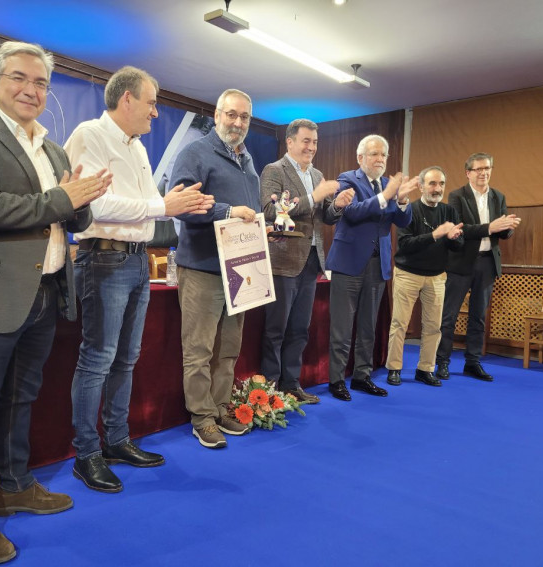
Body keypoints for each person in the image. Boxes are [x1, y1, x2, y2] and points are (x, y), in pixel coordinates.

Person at [0, 41, 111, 564]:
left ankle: (13, 486)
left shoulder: (56, 151)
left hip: (46, 291)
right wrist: (65, 198)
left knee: (21, 399)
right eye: (19, 78)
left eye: (40, 83)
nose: (30, 90)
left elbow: (73, 219)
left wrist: (81, 200)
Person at [64, 66, 211, 492]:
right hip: (103, 259)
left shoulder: (139, 148)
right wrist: (163, 206)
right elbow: (93, 205)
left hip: (136, 260)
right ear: (126, 99)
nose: (155, 112)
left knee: (126, 358)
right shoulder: (90, 135)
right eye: (150, 102)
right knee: (98, 358)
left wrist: (172, 205)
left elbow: (149, 206)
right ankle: (86, 453)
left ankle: (116, 440)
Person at [170, 88, 261, 449]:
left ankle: (221, 407)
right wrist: (227, 211)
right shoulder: (195, 153)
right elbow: (179, 204)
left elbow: (248, 211)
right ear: (217, 115)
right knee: (199, 350)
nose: (237, 123)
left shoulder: (248, 161)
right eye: (231, 115)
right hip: (202, 269)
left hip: (239, 269)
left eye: (244, 118)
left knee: (229, 348)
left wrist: (259, 226)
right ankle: (202, 417)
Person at [259, 119, 354, 404]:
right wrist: (314, 196)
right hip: (283, 261)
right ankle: (270, 391)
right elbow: (271, 211)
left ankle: (291, 385)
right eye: (305, 141)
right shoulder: (274, 171)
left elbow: (324, 216)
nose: (311, 147)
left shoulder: (317, 174)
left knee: (300, 329)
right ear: (289, 142)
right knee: (276, 330)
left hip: (312, 261)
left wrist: (337, 205)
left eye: (314, 142)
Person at [324, 134, 417, 401]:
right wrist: (386, 196)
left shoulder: (388, 184)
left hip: (378, 265)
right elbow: (351, 211)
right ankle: (337, 380)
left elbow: (402, 221)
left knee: (368, 326)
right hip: (348, 263)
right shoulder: (348, 178)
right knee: (342, 327)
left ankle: (362, 376)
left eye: (383, 155)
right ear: (360, 158)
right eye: (374, 154)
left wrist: (400, 200)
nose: (379, 159)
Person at [435, 153, 520, 382]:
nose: (484, 172)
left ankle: (473, 362)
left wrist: (508, 227)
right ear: (468, 173)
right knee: (448, 317)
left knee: (478, 317)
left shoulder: (498, 196)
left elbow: (500, 231)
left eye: (487, 168)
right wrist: (490, 227)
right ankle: (442, 362)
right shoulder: (456, 196)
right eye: (479, 169)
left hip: (487, 263)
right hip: (460, 263)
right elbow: (460, 228)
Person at [385, 166, 463, 387]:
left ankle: (425, 369)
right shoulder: (409, 210)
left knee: (433, 326)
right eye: (432, 184)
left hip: (437, 276)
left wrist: (454, 237)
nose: (437, 189)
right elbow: (405, 245)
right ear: (420, 186)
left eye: (441, 184)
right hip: (408, 273)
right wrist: (436, 234)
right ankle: (394, 368)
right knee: (399, 323)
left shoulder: (449, 211)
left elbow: (458, 246)